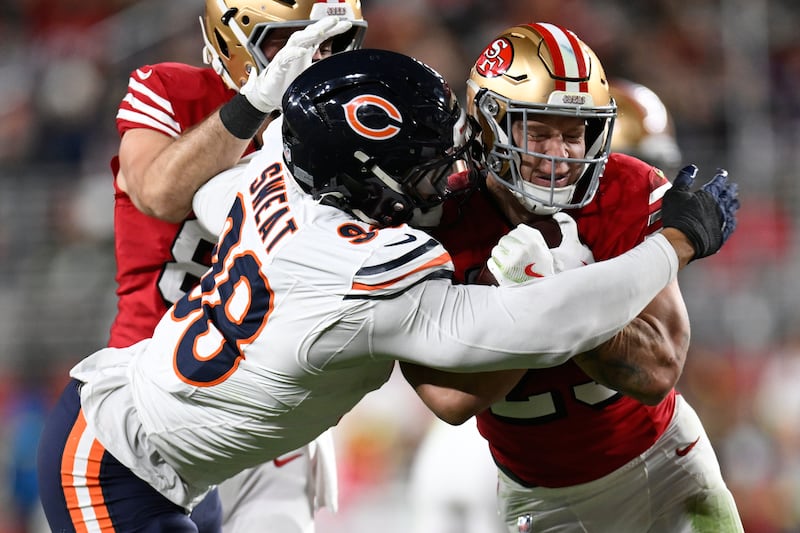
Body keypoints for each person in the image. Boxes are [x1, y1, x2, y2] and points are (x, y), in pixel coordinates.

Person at [36, 47, 737, 532]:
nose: (444, 182)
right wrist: (673, 243)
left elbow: (208, 194)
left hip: (144, 432)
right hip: (117, 461)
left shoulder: (275, 180)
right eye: (424, 167)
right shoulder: (367, 271)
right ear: (365, 177)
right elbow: (543, 323)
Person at [402, 22, 745, 532]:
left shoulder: (625, 186)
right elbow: (450, 400)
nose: (559, 156)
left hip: (665, 462)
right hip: (540, 497)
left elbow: (658, 371)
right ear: (488, 125)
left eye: (573, 132)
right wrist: (547, 304)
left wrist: (545, 295)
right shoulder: (437, 218)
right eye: (538, 131)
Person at [110, 1, 364, 531]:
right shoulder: (171, 90)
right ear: (231, 40)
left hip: (277, 406)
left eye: (330, 43)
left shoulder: (350, 124)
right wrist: (256, 102)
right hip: (159, 400)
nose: (310, 60)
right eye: (287, 43)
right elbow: (156, 191)